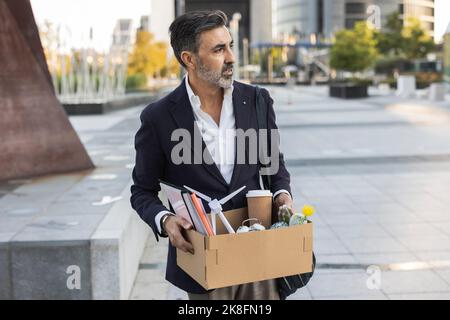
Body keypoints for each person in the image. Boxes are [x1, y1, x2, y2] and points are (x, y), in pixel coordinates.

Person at [130, 10, 293, 300]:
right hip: (203, 261)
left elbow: (274, 168)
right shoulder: (158, 117)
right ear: (189, 59)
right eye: (219, 49)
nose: (231, 57)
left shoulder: (257, 101)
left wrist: (282, 195)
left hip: (259, 253)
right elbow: (142, 191)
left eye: (230, 45)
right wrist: (166, 220)